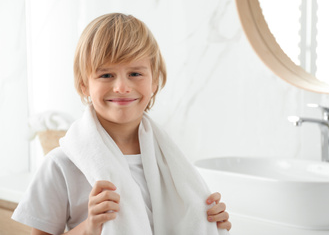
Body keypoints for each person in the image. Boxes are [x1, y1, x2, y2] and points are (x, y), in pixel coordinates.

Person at [12, 13, 232, 235]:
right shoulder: (60, 166)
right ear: (84, 85)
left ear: (154, 81)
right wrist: (89, 228)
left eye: (135, 73)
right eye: (106, 75)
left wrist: (205, 221)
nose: (122, 87)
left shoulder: (170, 165)